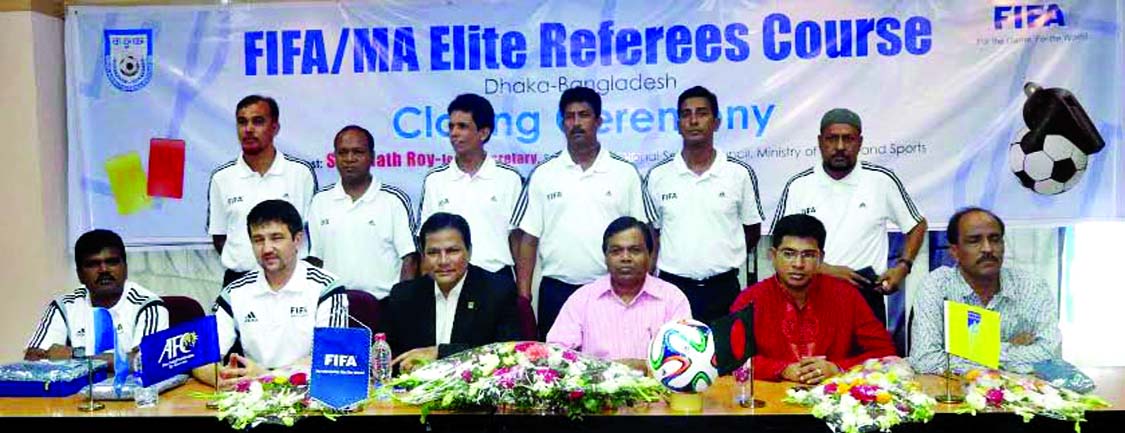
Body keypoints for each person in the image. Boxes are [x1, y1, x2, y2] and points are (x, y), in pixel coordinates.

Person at [771, 108, 927, 350]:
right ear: (820, 142)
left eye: (849, 139)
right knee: (812, 373)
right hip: (810, 293)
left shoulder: (881, 181)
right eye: (832, 139)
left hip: (864, 295)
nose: (840, 146)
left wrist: (903, 267)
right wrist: (825, 269)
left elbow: (917, 225)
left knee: (869, 372)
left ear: (860, 142)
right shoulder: (799, 185)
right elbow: (778, 244)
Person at [512, 86, 655, 339]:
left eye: (584, 115)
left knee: (612, 364)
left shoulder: (625, 173)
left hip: (612, 289)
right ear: (562, 123)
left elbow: (647, 235)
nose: (576, 123)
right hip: (557, 291)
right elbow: (528, 239)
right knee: (557, 368)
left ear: (598, 121)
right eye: (569, 116)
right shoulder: (543, 174)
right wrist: (524, 296)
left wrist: (647, 283)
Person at [193, 200, 348, 389]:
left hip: (310, 393)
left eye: (276, 238)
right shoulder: (234, 292)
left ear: (297, 240)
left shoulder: (326, 287)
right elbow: (200, 359)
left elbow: (331, 356)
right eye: (258, 240)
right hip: (252, 397)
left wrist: (269, 377)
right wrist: (224, 379)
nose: (267, 249)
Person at [730, 214, 896, 383]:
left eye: (808, 255)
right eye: (789, 254)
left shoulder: (846, 295)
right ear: (773, 255)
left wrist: (837, 368)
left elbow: (885, 353)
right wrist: (782, 370)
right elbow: (732, 360)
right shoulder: (750, 299)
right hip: (770, 402)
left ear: (821, 258)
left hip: (835, 399)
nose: (798, 264)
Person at [646, 86, 763, 323]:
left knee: (726, 358)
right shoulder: (658, 176)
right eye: (686, 114)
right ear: (678, 123)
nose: (693, 120)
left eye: (701, 113)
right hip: (673, 289)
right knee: (675, 360)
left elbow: (752, 231)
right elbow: (653, 235)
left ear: (716, 122)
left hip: (725, 288)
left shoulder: (738, 173)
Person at [908, 207, 1061, 374]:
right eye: (974, 241)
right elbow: (926, 360)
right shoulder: (937, 285)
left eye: (995, 239)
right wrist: (1012, 349)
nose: (988, 249)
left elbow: (1049, 355)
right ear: (955, 251)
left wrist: (960, 351)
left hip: (1021, 393)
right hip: (954, 393)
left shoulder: (1031, 286)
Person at [547, 217, 691, 371]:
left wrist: (645, 368)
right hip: (596, 390)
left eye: (635, 250)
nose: (625, 258)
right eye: (616, 251)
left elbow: (685, 360)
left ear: (649, 255)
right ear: (606, 257)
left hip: (659, 393)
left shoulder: (673, 299)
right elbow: (555, 355)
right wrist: (600, 371)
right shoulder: (582, 299)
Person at [384, 213, 521, 372]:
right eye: (433, 253)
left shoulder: (497, 291)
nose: (443, 261)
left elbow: (506, 353)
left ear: (469, 252)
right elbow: (388, 355)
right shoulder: (404, 295)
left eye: (452, 251)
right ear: (423, 256)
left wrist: (440, 353)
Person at [208, 95, 318, 286]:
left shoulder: (300, 173)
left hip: (293, 281)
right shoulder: (222, 178)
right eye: (242, 122)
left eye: (258, 121)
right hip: (239, 280)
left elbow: (314, 233)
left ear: (275, 128)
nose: (249, 129)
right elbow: (220, 236)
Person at [25, 229, 168, 370]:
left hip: (131, 391)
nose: (104, 270)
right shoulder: (64, 306)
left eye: (112, 262)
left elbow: (148, 360)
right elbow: (33, 359)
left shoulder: (148, 305)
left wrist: (76, 356)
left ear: (125, 268)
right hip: (76, 392)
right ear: (80, 274)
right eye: (93, 264)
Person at [419, 94, 524, 283]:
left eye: (462, 126)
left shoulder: (509, 178)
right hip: (447, 280)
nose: (454, 133)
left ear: (483, 133)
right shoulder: (435, 179)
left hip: (496, 279)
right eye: (451, 126)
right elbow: (426, 240)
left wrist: (523, 293)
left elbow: (518, 241)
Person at [307, 125, 417, 300]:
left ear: (372, 157)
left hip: (384, 304)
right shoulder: (320, 201)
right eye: (343, 152)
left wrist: (401, 306)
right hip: (333, 305)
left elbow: (410, 259)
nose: (349, 159)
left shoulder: (394, 200)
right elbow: (316, 260)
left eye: (358, 152)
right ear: (334, 157)